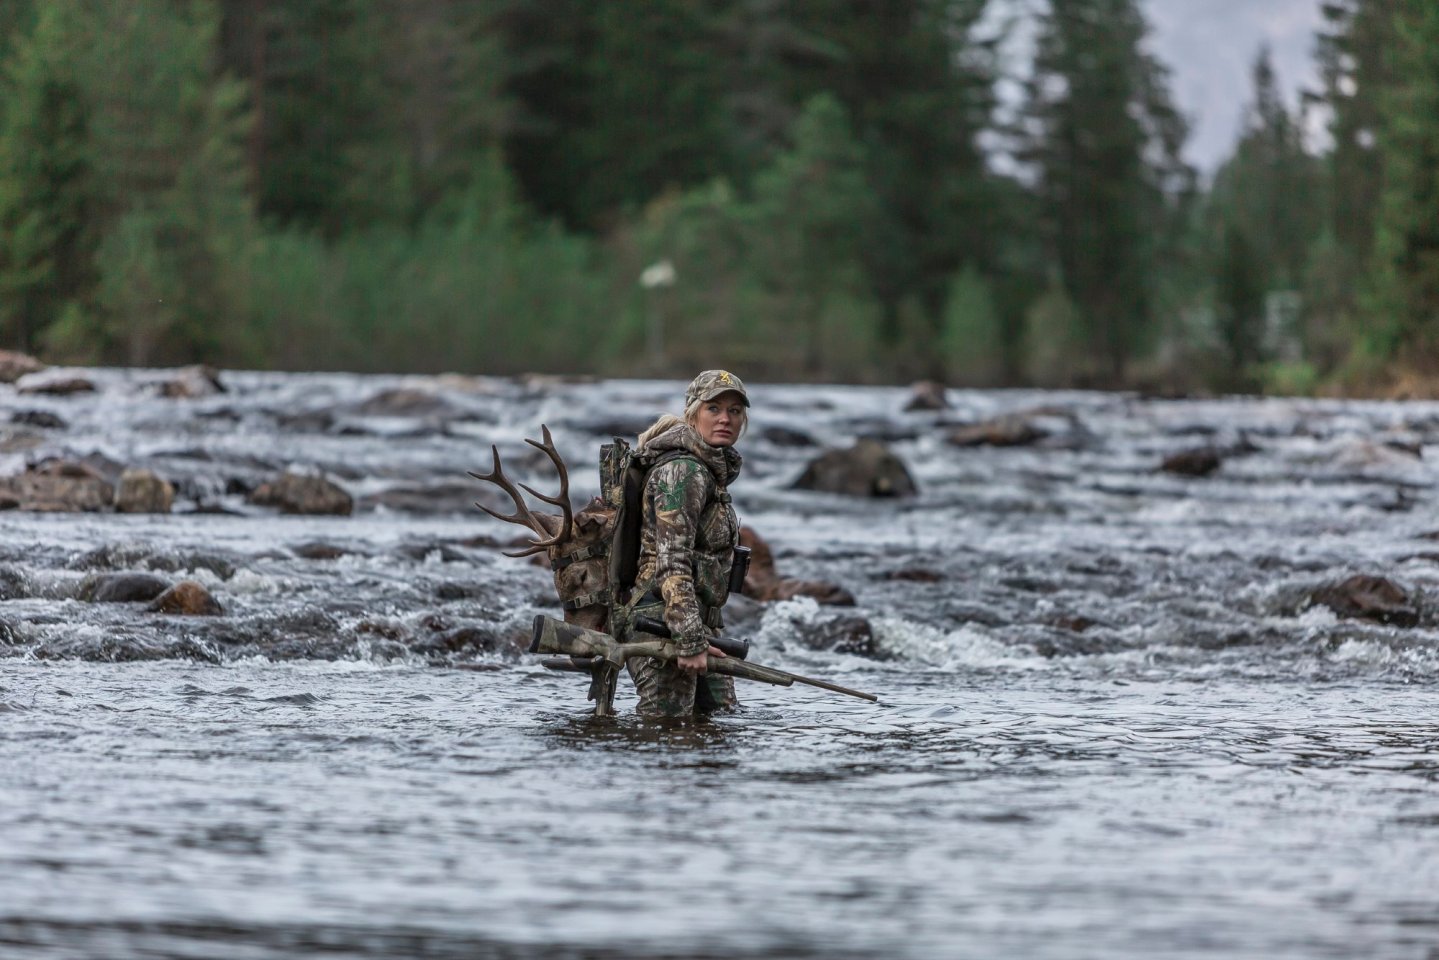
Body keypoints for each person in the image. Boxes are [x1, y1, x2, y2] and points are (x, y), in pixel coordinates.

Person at [625, 370, 749, 717]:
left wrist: (700, 632)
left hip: (693, 623)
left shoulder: (709, 470)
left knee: (717, 728)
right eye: (714, 408)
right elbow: (672, 562)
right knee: (666, 733)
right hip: (661, 622)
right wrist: (690, 640)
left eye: (735, 411)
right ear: (693, 413)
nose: (725, 418)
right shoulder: (683, 472)